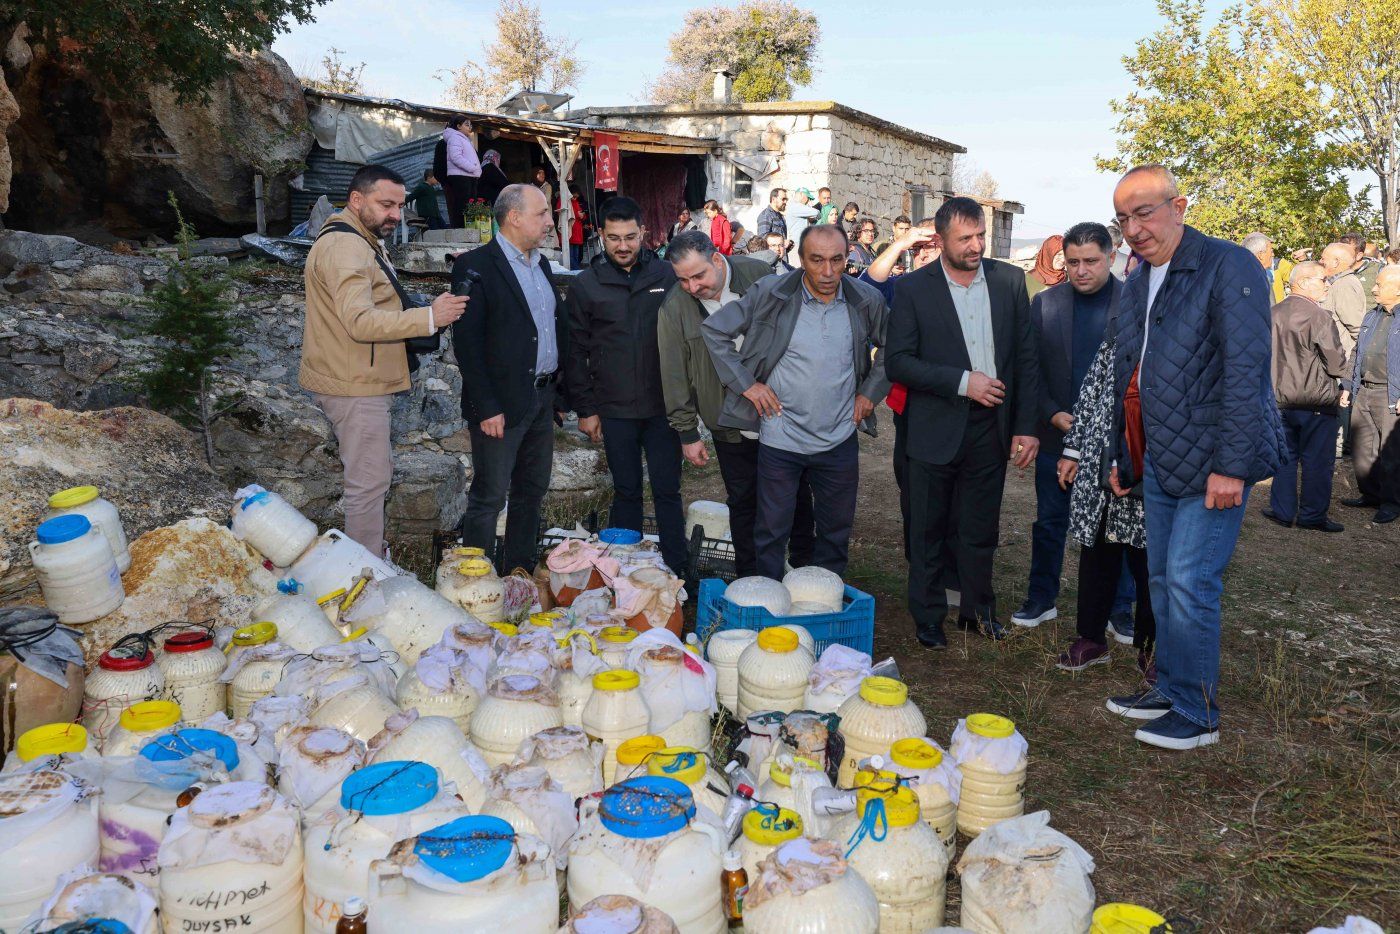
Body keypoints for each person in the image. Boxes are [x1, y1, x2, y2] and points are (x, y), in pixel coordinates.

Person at [1103, 164, 1285, 750]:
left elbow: (1245, 372)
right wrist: (1125, 455)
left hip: (1213, 463)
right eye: (1124, 217)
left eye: (1144, 213)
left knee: (1190, 580)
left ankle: (1198, 712)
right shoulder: (1139, 278)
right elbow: (1126, 377)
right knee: (1161, 579)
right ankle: (1171, 687)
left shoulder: (1227, 266)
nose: (1133, 228)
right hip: (1160, 459)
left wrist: (1233, 466)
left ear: (1179, 207)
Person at [887, 196, 1041, 646]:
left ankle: (977, 611)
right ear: (940, 240)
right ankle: (929, 616)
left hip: (990, 428)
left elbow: (1026, 359)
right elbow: (898, 363)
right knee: (927, 528)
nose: (976, 246)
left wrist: (1026, 426)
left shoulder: (1010, 281)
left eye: (980, 236)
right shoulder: (914, 289)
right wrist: (961, 381)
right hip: (932, 428)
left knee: (980, 528)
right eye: (965, 238)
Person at [701, 224, 890, 579]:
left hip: (837, 439)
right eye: (817, 260)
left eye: (837, 260)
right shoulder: (771, 293)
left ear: (848, 256)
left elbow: (896, 345)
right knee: (771, 533)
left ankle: (824, 606)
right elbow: (715, 330)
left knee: (835, 534)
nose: (828, 272)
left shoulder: (865, 299)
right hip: (780, 438)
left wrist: (870, 392)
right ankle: (769, 607)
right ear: (800, 259)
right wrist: (747, 385)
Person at [300, 164, 468, 556]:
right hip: (354, 385)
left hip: (357, 377)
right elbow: (358, 321)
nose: (396, 214)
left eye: (399, 205)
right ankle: (364, 574)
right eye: (386, 204)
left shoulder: (358, 239)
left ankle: (367, 558)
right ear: (356, 200)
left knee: (371, 479)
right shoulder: (346, 247)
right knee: (369, 483)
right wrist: (429, 317)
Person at [659, 230, 817, 576]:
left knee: (797, 493)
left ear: (717, 259)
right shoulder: (675, 306)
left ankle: (808, 573)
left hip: (782, 412)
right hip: (728, 421)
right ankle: (751, 579)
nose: (692, 287)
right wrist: (687, 433)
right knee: (744, 501)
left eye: (698, 276)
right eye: (682, 280)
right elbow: (674, 373)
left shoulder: (760, 277)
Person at [1011, 223, 1136, 639]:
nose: (1081, 270)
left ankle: (1120, 609)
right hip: (1056, 433)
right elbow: (1028, 368)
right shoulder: (1045, 303)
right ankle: (1041, 598)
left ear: (1111, 257)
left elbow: (1136, 377)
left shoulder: (1135, 303)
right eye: (1074, 262)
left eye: (1091, 261)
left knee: (1116, 527)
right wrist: (1050, 414)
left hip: (1115, 439)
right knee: (1050, 521)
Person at [564, 196, 687, 572]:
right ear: (601, 235)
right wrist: (586, 409)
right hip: (614, 409)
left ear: (643, 233)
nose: (623, 246)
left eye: (630, 237)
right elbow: (574, 351)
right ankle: (626, 574)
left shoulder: (667, 276)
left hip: (663, 407)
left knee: (668, 491)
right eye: (614, 237)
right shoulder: (586, 285)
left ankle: (677, 571)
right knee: (626, 491)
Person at [450, 184, 568, 573]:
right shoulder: (476, 266)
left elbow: (548, 329)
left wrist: (559, 394)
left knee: (531, 493)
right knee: (489, 496)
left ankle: (517, 574)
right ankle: (473, 581)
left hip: (541, 399)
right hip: (499, 405)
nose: (550, 221)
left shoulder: (542, 265)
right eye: (542, 213)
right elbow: (467, 344)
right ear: (514, 217)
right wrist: (486, 406)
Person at [1055, 335, 1155, 678]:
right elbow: (1090, 391)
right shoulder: (1118, 334)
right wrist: (1074, 450)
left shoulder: (1180, 334)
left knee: (1150, 562)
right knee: (1097, 549)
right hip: (1100, 460)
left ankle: (1152, 650)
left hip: (1152, 459)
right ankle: (1091, 638)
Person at [1264, 261, 1348, 532]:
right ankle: (1311, 515)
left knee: (1285, 456)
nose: (1327, 284)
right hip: (1315, 401)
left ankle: (1283, 510)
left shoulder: (1273, 312)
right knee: (1317, 460)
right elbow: (1335, 363)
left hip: (1280, 399)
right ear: (1303, 282)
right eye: (1322, 279)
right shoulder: (1318, 316)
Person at [1340, 265, 1400, 523]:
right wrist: (1347, 385)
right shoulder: (1371, 316)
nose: (1373, 289)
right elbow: (1356, 352)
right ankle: (1370, 494)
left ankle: (1390, 502)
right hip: (1364, 390)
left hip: (1390, 394)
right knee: (1363, 449)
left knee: (1391, 453)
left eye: (1379, 285)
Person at [1321, 240, 1367, 354]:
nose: (1320, 261)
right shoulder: (1337, 282)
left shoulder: (1344, 284)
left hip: (1342, 358)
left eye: (1323, 258)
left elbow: (1356, 327)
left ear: (1336, 262)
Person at [441, 116, 481, 229]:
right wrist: (472, 168)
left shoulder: (464, 139)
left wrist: (477, 171)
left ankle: (468, 228)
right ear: (458, 126)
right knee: (462, 205)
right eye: (467, 124)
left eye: (471, 125)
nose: (470, 127)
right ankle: (460, 230)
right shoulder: (455, 138)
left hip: (469, 176)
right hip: (460, 176)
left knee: (470, 205)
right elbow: (456, 157)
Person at [1242, 232, 1292, 305]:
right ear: (1261, 255)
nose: (1273, 254)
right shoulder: (1262, 279)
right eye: (1271, 251)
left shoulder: (1236, 274)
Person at [1025, 234, 1066, 299]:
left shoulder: (1069, 279)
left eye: (1065, 255)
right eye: (1059, 254)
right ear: (1048, 254)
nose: (1063, 259)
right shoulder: (1029, 278)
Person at [1340, 232, 1381, 296]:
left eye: (1345, 252)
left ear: (1359, 255)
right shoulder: (1333, 270)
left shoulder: (1378, 271)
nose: (1340, 255)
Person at [784, 188, 820, 253]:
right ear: (801, 194)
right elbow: (816, 213)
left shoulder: (796, 206)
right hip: (796, 244)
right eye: (808, 198)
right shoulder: (796, 206)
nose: (808, 201)